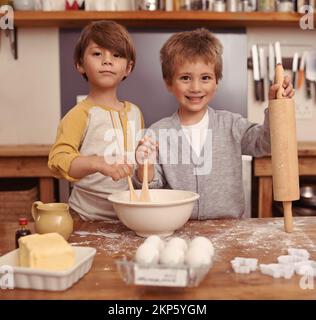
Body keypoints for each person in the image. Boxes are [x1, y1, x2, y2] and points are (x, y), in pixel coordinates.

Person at [134, 28, 294, 220]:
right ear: (169, 83)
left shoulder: (231, 124)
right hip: (177, 230)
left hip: (229, 231)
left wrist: (276, 105)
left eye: (205, 78)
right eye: (185, 78)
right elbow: (151, 187)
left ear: (216, 82)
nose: (195, 87)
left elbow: (266, 143)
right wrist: (145, 166)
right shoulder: (157, 133)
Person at [48, 21, 144, 220]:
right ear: (80, 64)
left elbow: (138, 165)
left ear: (128, 67)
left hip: (128, 217)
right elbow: (57, 161)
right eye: (97, 54)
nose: (107, 61)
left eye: (116, 55)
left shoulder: (135, 112)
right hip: (85, 217)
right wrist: (95, 162)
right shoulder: (79, 114)